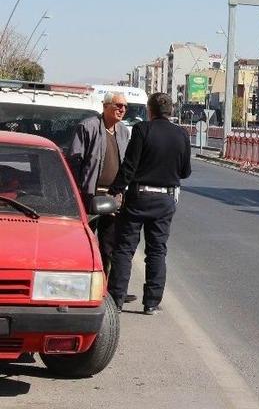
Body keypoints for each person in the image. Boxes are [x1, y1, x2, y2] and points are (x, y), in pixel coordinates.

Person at [108, 92, 191, 314]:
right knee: (157, 251)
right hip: (165, 200)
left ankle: (115, 300)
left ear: (150, 110)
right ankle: (151, 303)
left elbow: (129, 165)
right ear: (171, 111)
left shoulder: (143, 129)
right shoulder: (182, 134)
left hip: (138, 198)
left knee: (125, 249)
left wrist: (114, 190)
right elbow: (185, 172)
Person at [67, 92, 138, 304]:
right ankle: (75, 288)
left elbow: (128, 164)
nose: (122, 109)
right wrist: (77, 191)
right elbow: (75, 161)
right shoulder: (88, 127)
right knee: (84, 244)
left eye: (125, 106)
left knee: (110, 246)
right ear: (106, 106)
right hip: (89, 195)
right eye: (118, 105)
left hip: (114, 197)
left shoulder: (124, 132)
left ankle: (107, 290)